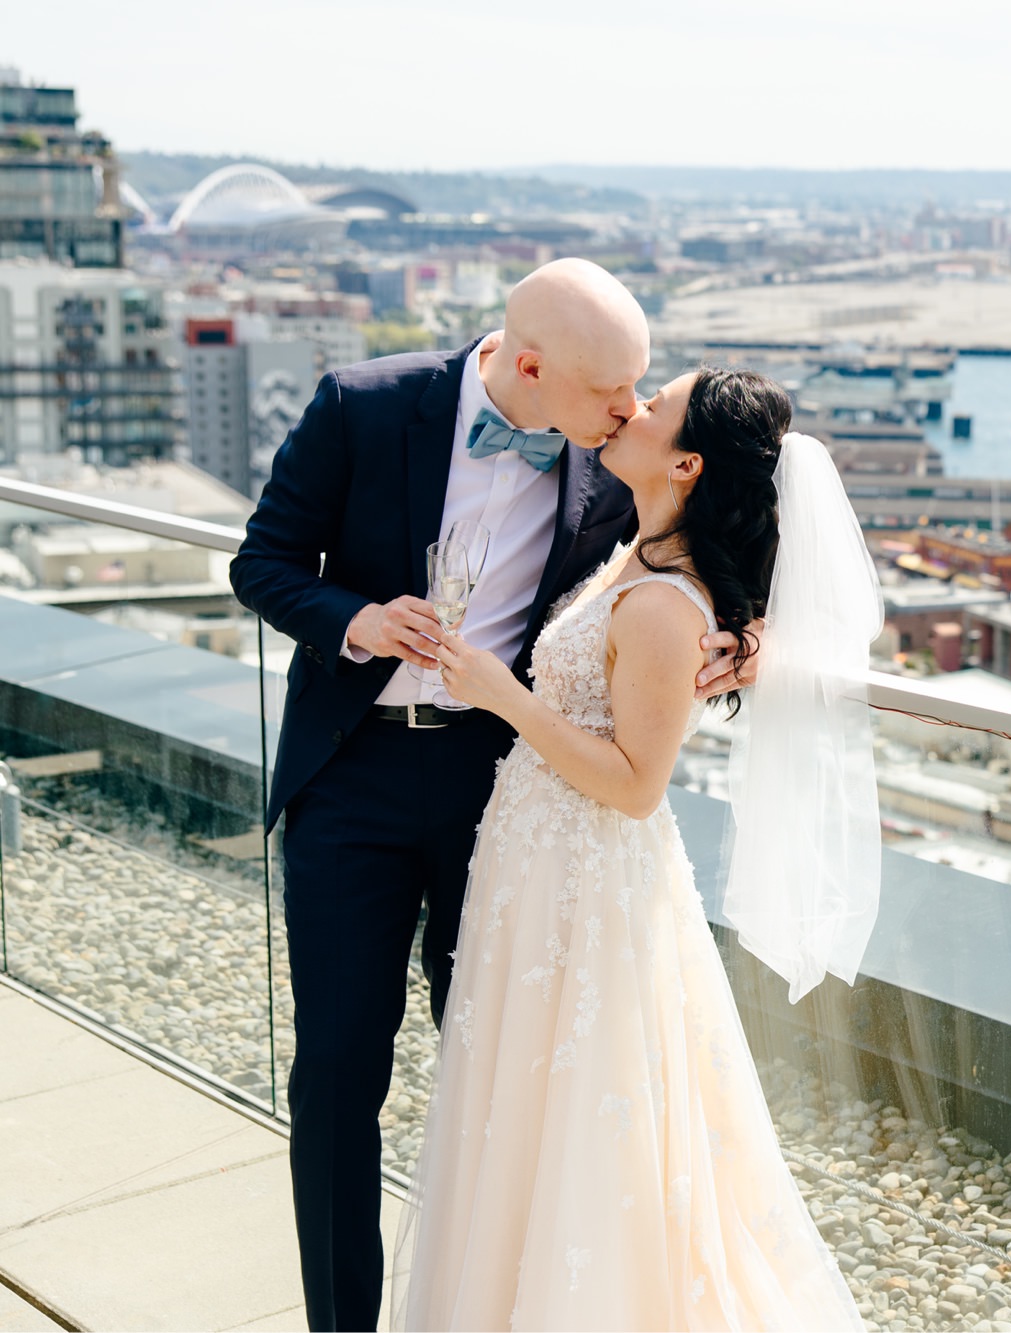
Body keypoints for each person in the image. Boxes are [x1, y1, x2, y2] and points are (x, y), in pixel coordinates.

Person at [229, 259, 758, 1333]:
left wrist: (750, 637)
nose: (627, 410)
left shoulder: (615, 461)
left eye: (639, 389)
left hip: (503, 789)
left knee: (500, 1069)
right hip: (351, 779)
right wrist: (357, 621)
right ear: (527, 365)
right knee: (335, 1072)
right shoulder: (362, 405)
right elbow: (263, 562)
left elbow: (702, 546)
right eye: (612, 390)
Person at [393, 367, 881, 1329]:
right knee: (528, 1114)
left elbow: (632, 783)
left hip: (586, 881)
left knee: (583, 1120)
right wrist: (754, 634)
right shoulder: (640, 549)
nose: (633, 402)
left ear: (688, 463)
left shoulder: (663, 601)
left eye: (656, 403)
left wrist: (502, 695)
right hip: (538, 868)